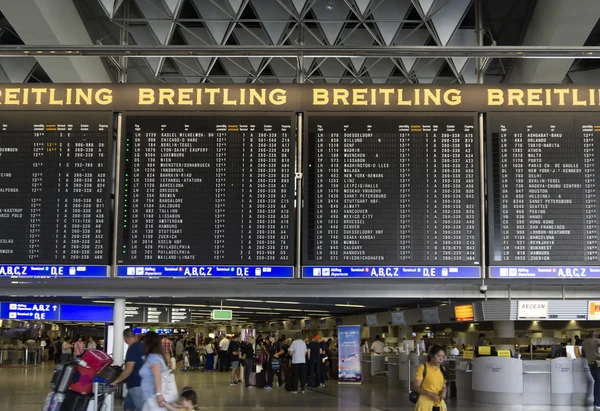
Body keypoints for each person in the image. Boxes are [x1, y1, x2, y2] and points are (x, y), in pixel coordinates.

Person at [110, 328, 145, 411]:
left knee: (143, 408)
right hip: (137, 384)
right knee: (127, 407)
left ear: (125, 338)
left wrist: (115, 382)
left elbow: (128, 370)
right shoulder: (141, 346)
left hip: (136, 385)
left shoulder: (133, 348)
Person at [412, 345, 448, 411]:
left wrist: (444, 391)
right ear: (431, 356)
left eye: (443, 357)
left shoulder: (442, 369)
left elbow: (443, 386)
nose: (441, 359)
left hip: (438, 402)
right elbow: (416, 386)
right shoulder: (422, 368)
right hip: (425, 403)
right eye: (438, 356)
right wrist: (429, 394)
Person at [140, 331, 168, 409]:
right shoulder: (156, 356)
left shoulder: (153, 357)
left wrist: (158, 394)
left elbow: (157, 376)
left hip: (153, 399)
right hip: (149, 399)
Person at [582, 330, 600, 408]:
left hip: (590, 364)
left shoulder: (584, 342)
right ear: (595, 335)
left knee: (597, 383)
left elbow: (583, 354)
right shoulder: (597, 341)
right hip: (598, 364)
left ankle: (597, 403)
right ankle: (597, 403)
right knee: (598, 384)